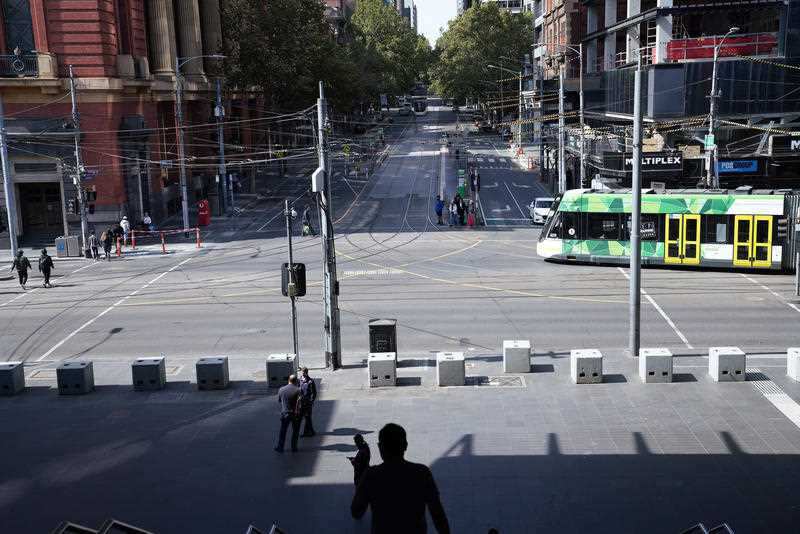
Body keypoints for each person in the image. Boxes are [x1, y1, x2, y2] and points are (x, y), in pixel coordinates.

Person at [351, 423, 450, 534]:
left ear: (380, 448)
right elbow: (438, 515)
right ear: (405, 445)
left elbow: (356, 511)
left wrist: (362, 483)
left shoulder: (372, 475)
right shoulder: (422, 473)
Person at [275, 375, 301, 453]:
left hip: (285, 413)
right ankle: (294, 447)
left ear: (288, 380)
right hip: (295, 414)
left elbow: (279, 400)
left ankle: (280, 447)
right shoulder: (298, 390)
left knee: (283, 431)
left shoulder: (281, 389)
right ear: (296, 381)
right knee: (295, 431)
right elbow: (299, 403)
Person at [299, 367, 317, 437]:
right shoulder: (299, 380)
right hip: (301, 402)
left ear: (307, 373)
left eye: (304, 373)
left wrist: (312, 400)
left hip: (308, 402)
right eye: (302, 372)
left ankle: (307, 432)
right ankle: (311, 431)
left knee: (308, 417)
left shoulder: (311, 381)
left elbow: (314, 392)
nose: (303, 374)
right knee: (306, 417)